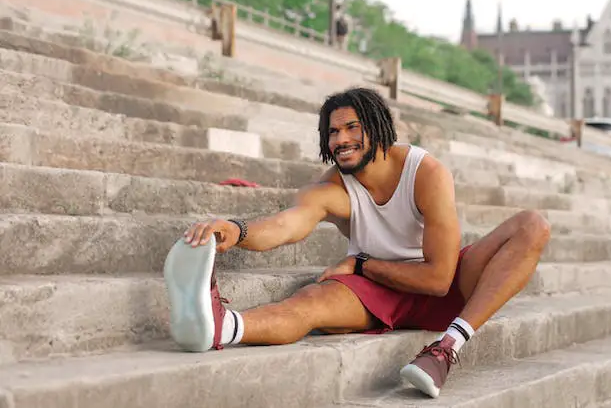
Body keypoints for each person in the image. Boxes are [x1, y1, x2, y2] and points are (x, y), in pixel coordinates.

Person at [163, 87, 551, 399]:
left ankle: (446, 346)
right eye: (333, 132)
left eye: (352, 128)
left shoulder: (425, 172)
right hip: (374, 292)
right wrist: (237, 230)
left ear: (378, 127)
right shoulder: (333, 187)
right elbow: (287, 224)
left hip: (441, 282)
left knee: (532, 225)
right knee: (310, 301)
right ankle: (221, 327)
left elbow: (438, 279)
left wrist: (362, 265)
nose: (341, 139)